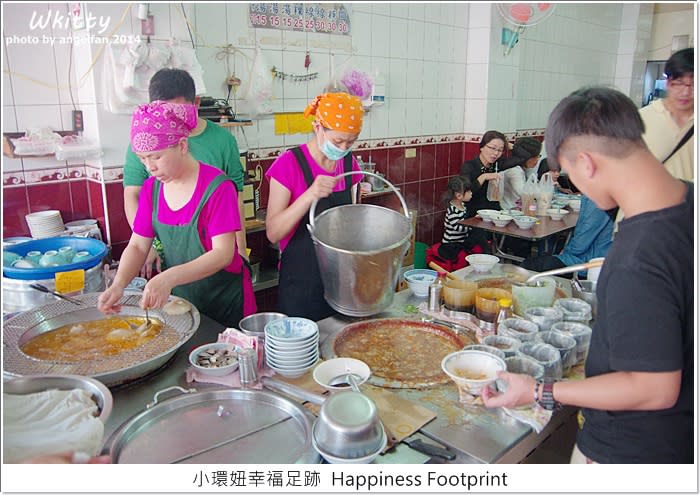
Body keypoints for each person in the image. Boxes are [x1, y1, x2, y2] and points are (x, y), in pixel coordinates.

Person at [482, 87, 693, 464]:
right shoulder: (688, 201)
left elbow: (653, 388)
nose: (575, 187)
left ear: (587, 162)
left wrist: (540, 390)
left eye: (570, 175)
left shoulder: (638, 257)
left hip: (629, 452)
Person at [99, 101, 256, 327]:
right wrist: (119, 284)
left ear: (182, 146)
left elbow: (223, 253)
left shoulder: (218, 187)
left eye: (156, 156)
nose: (149, 167)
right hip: (182, 301)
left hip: (225, 301)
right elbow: (138, 246)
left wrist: (168, 278)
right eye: (143, 158)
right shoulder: (152, 190)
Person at [122, 68, 248, 279]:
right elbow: (133, 197)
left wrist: (241, 248)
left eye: (177, 110)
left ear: (195, 104)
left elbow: (237, 199)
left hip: (218, 261)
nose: (150, 166)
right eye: (161, 109)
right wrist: (149, 244)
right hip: (171, 260)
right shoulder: (148, 146)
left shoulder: (222, 145)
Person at [265, 92, 364, 321]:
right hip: (302, 286)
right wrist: (310, 195)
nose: (343, 148)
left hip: (341, 282)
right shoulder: (288, 164)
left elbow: (352, 221)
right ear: (317, 127)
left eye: (351, 141)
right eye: (337, 141)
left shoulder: (349, 164)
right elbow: (273, 232)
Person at [519, 195, 614, 276]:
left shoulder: (597, 197)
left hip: (589, 263)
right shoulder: (609, 192)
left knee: (528, 266)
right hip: (604, 258)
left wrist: (565, 252)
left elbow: (582, 241)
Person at [639, 48, 694, 182]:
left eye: (694, 85)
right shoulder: (641, 119)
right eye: (679, 83)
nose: (686, 92)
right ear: (668, 82)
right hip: (648, 200)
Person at [436, 176, 485, 264]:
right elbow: (460, 228)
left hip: (461, 242)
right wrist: (474, 223)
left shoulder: (463, 205)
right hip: (451, 245)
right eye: (469, 191)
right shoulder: (452, 210)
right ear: (459, 195)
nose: (471, 193)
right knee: (464, 258)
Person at [459, 130, 508, 212]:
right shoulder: (469, 166)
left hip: (494, 212)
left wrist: (509, 145)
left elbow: (524, 157)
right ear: (482, 147)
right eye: (493, 148)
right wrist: (483, 177)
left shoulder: (498, 164)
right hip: (473, 213)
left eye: (500, 150)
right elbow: (464, 194)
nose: (496, 153)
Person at [499, 137, 542, 210]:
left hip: (519, 209)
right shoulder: (515, 171)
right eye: (536, 156)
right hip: (509, 211)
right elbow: (525, 193)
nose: (538, 159)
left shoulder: (524, 168)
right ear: (527, 156)